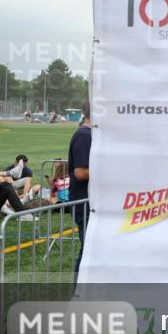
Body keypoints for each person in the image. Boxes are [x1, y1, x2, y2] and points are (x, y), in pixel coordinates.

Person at [69, 102, 92, 271]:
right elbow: (81, 172)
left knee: (91, 250)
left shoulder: (89, 134)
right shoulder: (84, 135)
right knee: (88, 251)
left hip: (90, 202)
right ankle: (78, 292)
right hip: (84, 202)